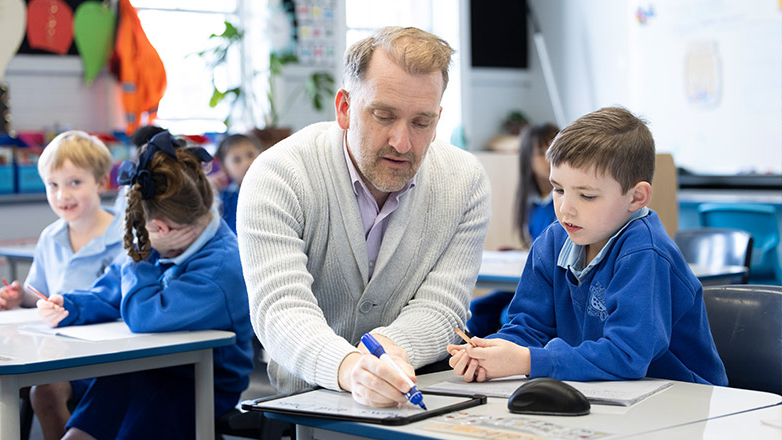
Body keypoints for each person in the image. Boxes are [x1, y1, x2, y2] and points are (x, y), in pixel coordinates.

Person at [237, 26, 491, 408]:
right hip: (307, 402)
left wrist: (387, 354)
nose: (402, 142)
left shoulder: (465, 182)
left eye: (421, 123)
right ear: (344, 108)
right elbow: (280, 310)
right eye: (383, 116)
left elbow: (444, 307)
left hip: (417, 398)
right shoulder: (278, 174)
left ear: (438, 120)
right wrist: (350, 369)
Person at [448, 106, 727, 386]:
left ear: (636, 197)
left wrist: (527, 361)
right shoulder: (553, 242)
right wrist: (488, 354)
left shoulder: (645, 252)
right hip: (606, 394)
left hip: (681, 400)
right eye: (558, 189)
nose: (566, 209)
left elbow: (626, 355)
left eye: (587, 196)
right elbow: (528, 327)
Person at [35, 131, 254, 439]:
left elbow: (144, 316)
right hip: (147, 369)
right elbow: (112, 288)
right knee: (99, 399)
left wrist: (142, 257)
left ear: (161, 227)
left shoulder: (220, 268)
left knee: (137, 402)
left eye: (146, 233)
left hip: (200, 383)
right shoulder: (166, 242)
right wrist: (70, 306)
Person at [0, 130, 124, 440]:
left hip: (106, 357)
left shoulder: (123, 235)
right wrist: (16, 296)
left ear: (102, 182)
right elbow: (37, 293)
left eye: (74, 183)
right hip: (56, 351)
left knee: (45, 390)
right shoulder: (51, 236)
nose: (62, 195)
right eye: (53, 185)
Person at [466, 123, 560, 337]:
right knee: (477, 310)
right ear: (527, 161)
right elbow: (540, 248)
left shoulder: (565, 205)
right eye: (541, 153)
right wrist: (519, 254)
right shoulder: (534, 204)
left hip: (548, 288)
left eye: (555, 149)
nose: (551, 158)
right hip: (529, 281)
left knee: (509, 316)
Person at [214, 133, 263, 233]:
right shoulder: (225, 199)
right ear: (225, 168)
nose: (246, 163)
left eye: (250, 155)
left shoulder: (272, 189)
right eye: (237, 160)